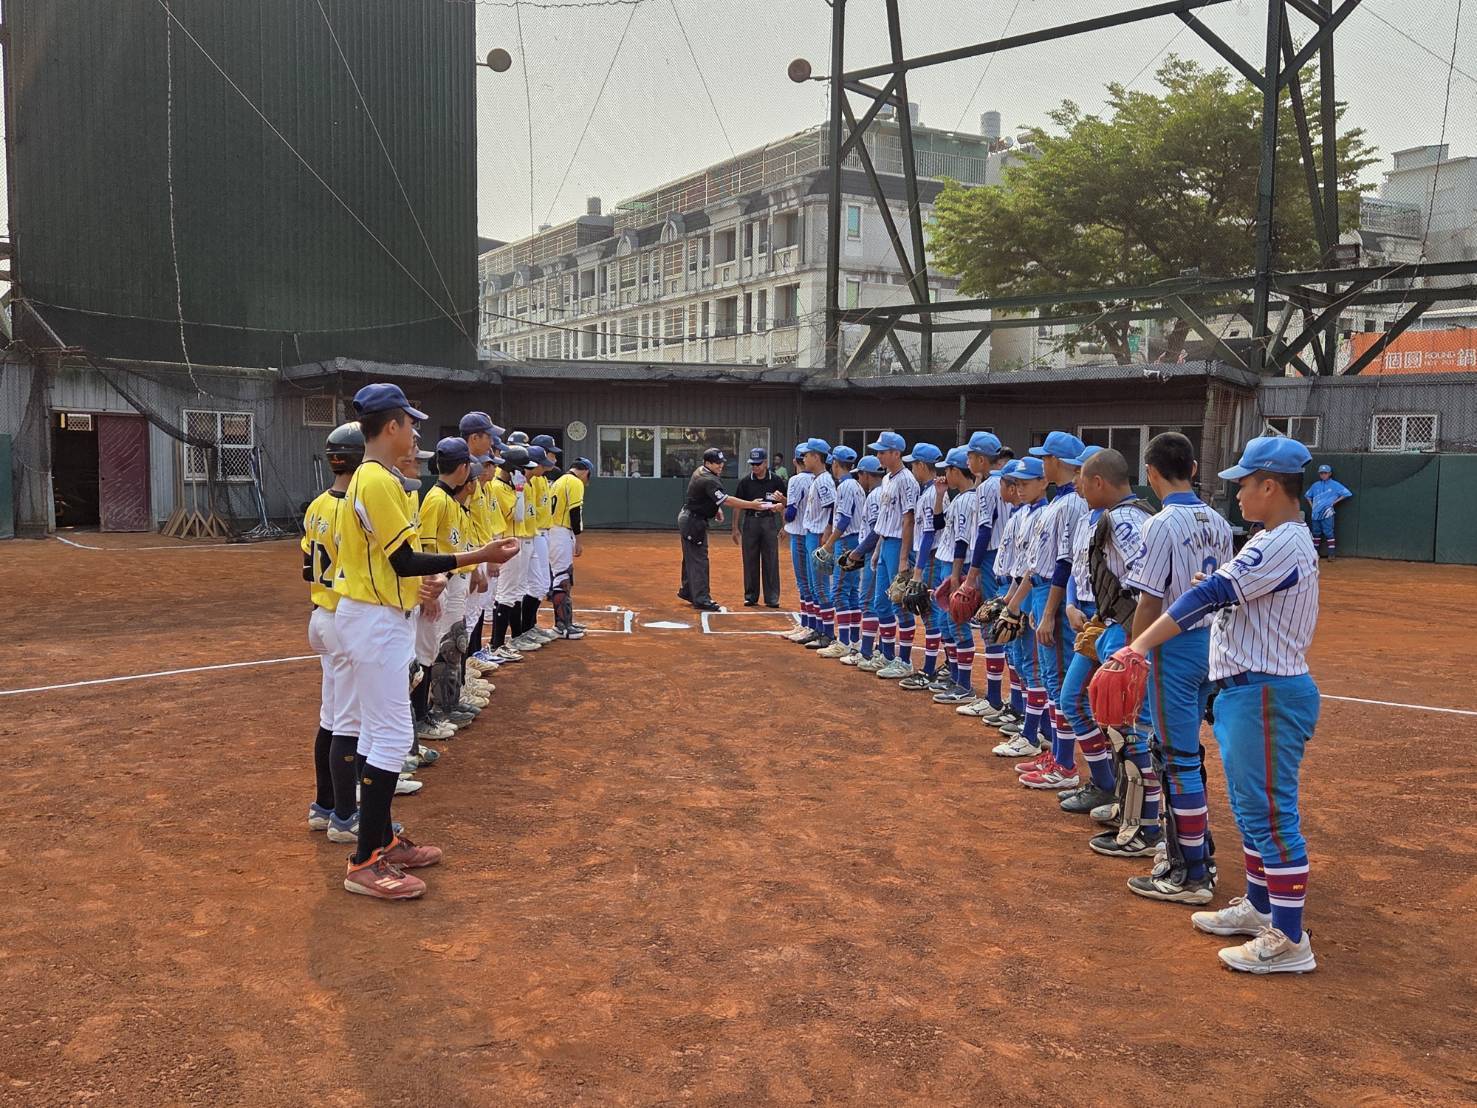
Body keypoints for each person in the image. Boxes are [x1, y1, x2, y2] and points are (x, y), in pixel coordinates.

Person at [1093, 435, 1322, 973]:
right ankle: (1262, 907)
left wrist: (1137, 645)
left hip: (1266, 693)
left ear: (1271, 485)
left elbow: (1203, 598)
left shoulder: (1279, 542)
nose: (1237, 493)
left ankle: (1290, 939)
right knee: (1249, 809)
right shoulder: (1272, 538)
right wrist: (1213, 588)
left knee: (1270, 813)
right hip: (1248, 689)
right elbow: (1227, 596)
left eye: (1244, 483)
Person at [332, 383, 519, 899]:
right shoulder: (375, 481)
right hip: (373, 620)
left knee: (377, 737)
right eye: (410, 424)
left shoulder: (379, 479)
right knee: (390, 739)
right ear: (390, 426)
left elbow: (394, 565)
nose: (416, 434)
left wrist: (422, 582)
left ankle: (378, 841)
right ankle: (364, 861)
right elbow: (403, 560)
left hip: (378, 612)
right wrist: (475, 557)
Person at [1120, 431, 1235, 905]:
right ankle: (1191, 847)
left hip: (1175, 645)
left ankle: (1191, 872)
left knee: (1174, 757)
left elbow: (1150, 599)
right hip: (1216, 646)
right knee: (1184, 752)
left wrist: (1133, 653)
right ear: (1191, 469)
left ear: (1150, 474)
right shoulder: (1221, 522)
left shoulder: (1161, 524)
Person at [302, 422, 364, 844]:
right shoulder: (357, 509)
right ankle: (345, 818)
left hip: (321, 616)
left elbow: (308, 563)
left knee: (330, 718)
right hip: (345, 619)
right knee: (349, 724)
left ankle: (324, 806)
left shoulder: (317, 505)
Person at [677, 447, 780, 612]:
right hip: (693, 521)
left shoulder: (703, 472)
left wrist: (715, 508)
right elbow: (727, 501)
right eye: (716, 463)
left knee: (690, 557)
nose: (720, 465)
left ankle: (688, 590)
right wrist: (752, 505)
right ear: (707, 463)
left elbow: (704, 496)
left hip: (691, 517)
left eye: (721, 462)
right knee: (699, 560)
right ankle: (702, 598)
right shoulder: (708, 478)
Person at [838, 455, 885, 666]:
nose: (859, 478)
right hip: (881, 552)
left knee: (869, 602)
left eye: (860, 475)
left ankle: (866, 652)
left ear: (866, 474)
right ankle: (880, 650)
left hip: (875, 553)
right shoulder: (880, 492)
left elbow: (876, 531)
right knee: (881, 603)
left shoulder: (875, 496)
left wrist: (857, 552)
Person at [817, 446, 864, 658]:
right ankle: (855, 640)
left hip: (847, 541)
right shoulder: (856, 485)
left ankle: (843, 642)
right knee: (852, 592)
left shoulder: (845, 486)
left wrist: (828, 544)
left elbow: (844, 520)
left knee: (839, 591)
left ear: (836, 464)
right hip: (856, 540)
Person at [732, 447, 786, 608]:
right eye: (752, 464)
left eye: (757, 464)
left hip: (769, 522)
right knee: (749, 559)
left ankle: (772, 598)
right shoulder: (745, 482)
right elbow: (737, 506)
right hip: (751, 522)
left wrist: (784, 525)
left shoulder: (776, 480)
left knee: (771, 559)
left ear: (765, 463)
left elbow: (784, 503)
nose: (755, 467)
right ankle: (750, 596)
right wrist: (735, 527)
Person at [797, 438, 838, 648]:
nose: (803, 458)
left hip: (819, 534)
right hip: (811, 533)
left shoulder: (823, 481)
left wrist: (828, 533)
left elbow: (832, 507)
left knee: (820, 586)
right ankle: (818, 629)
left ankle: (828, 633)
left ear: (816, 457)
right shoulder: (817, 479)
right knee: (815, 586)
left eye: (807, 454)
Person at [548, 456, 592, 639]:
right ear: (586, 472)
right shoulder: (575, 482)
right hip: (560, 532)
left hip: (555, 531)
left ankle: (566, 622)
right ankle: (562, 626)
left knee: (563, 576)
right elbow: (575, 513)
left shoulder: (560, 480)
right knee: (562, 578)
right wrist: (578, 540)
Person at [782, 444, 816, 639]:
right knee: (812, 582)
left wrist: (781, 507)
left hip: (800, 535)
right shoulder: (819, 479)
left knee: (804, 583)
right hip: (814, 535)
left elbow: (791, 514)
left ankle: (807, 625)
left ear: (796, 461)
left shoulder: (796, 480)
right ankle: (808, 624)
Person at [1305, 463, 1351, 560]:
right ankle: (1315, 554)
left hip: (1328, 513)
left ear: (1330, 473)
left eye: (1325, 473)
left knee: (1329, 533)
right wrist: (1312, 506)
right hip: (1315, 514)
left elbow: (1347, 493)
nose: (1323, 475)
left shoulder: (1335, 484)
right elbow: (1308, 496)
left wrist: (1334, 502)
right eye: (1321, 473)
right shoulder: (1315, 485)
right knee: (1316, 533)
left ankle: (1331, 554)